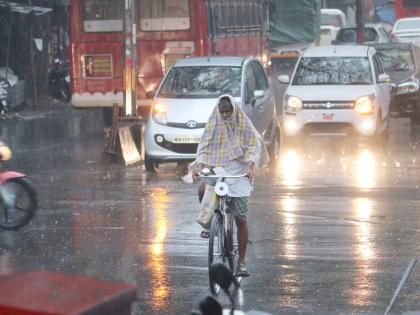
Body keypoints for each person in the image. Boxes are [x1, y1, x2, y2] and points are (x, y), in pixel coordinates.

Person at [192, 94, 269, 277]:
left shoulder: (243, 123)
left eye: (228, 111)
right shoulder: (214, 122)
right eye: (222, 111)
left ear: (233, 110)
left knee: (241, 218)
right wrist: (199, 165)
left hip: (240, 170)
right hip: (218, 166)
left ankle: (241, 263)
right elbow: (204, 146)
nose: (225, 115)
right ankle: (211, 225)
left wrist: (251, 167)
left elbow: (254, 145)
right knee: (202, 188)